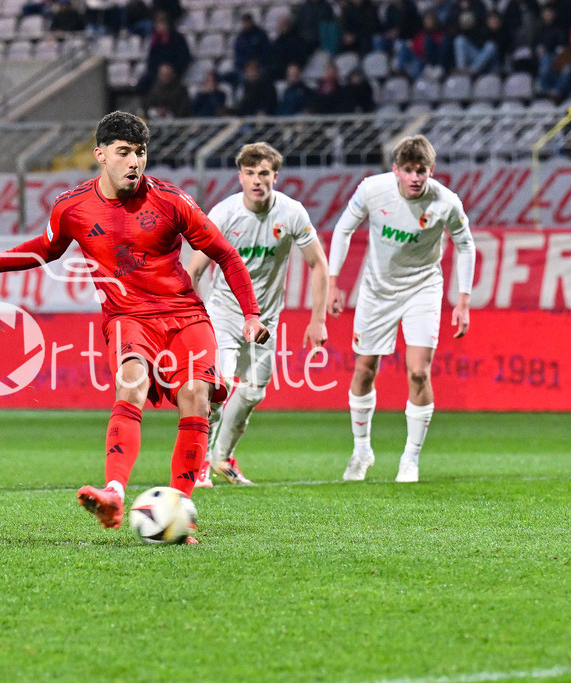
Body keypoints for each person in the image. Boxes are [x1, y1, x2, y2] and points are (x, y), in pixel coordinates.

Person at [0, 111, 270, 537]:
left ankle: (178, 509)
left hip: (184, 314)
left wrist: (251, 314)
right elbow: (45, 248)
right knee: (131, 384)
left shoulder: (171, 200)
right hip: (128, 317)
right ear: (100, 155)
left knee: (196, 397)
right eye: (124, 152)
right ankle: (113, 492)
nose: (134, 162)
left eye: (141, 153)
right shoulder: (72, 206)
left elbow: (226, 254)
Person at [327, 135, 475, 484]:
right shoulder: (372, 190)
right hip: (377, 290)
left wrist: (463, 301)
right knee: (364, 369)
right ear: (395, 170)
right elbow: (343, 229)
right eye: (408, 170)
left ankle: (410, 458)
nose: (415, 178)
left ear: (430, 171)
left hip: (423, 289)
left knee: (419, 372)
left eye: (421, 171)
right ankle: (362, 450)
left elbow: (466, 244)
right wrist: (333, 282)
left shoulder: (446, 202)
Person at [187, 143, 328, 487]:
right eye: (250, 173)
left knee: (252, 393)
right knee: (216, 388)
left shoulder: (291, 213)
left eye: (263, 173)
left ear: (274, 177)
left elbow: (318, 265)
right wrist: (194, 318)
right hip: (223, 313)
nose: (256, 180)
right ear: (240, 177)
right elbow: (194, 270)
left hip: (265, 320)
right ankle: (200, 463)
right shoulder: (223, 214)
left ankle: (222, 457)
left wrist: (318, 319)